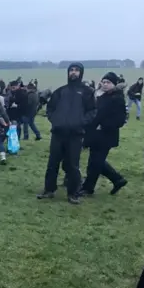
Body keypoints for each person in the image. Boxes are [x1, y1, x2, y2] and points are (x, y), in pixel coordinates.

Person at [37, 63, 95, 205]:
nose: (73, 73)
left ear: (81, 73)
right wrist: (55, 120)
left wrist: (81, 122)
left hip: (75, 134)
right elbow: (50, 108)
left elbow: (92, 111)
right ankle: (49, 190)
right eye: (71, 70)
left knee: (72, 165)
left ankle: (73, 193)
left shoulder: (87, 92)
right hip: (58, 133)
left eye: (76, 70)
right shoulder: (60, 91)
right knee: (52, 163)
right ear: (68, 73)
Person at [79, 72, 128, 196]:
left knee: (95, 163)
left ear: (114, 84)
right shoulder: (102, 96)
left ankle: (87, 188)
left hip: (106, 136)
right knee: (96, 161)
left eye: (108, 82)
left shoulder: (117, 99)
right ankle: (118, 180)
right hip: (95, 135)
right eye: (104, 82)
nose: (105, 85)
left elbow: (120, 120)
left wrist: (103, 125)